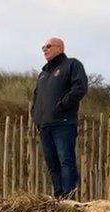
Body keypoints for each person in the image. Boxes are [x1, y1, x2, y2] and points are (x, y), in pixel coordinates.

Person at [31, 37, 88, 200]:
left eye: (48, 46)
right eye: (43, 47)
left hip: (63, 122)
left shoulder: (71, 65)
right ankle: (59, 196)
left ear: (60, 48)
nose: (44, 49)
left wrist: (62, 106)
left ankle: (69, 196)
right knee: (52, 163)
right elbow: (36, 97)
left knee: (65, 160)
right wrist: (36, 116)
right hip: (45, 125)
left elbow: (80, 88)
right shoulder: (43, 74)